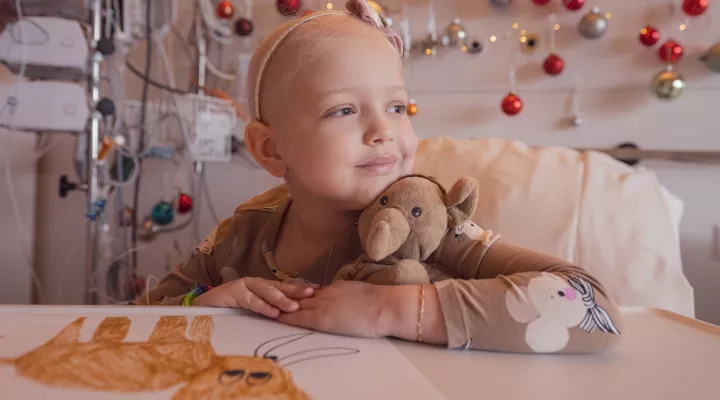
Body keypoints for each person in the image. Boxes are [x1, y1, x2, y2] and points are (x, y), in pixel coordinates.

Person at [135, 0, 623, 354]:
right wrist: (209, 303)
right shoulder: (243, 231)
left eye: (397, 106)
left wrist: (388, 310)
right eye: (343, 109)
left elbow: (594, 309)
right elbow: (139, 316)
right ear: (271, 148)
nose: (383, 131)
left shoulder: (427, 225)